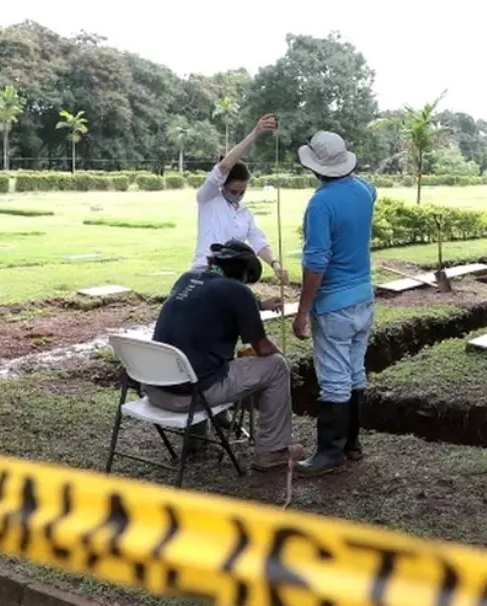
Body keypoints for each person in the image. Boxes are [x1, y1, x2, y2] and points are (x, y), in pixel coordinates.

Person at [148, 240, 304, 471]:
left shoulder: (187, 278)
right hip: (189, 398)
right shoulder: (238, 291)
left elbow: (211, 303)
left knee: (196, 355)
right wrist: (282, 354)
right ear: (243, 272)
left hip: (156, 390)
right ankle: (272, 451)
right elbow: (262, 348)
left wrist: (257, 305)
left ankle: (196, 437)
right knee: (277, 366)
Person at [290, 131, 377, 477]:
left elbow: (316, 262)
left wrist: (302, 312)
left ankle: (330, 453)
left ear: (315, 167)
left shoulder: (321, 203)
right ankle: (352, 444)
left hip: (334, 304)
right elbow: (369, 195)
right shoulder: (365, 190)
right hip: (364, 297)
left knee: (334, 380)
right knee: (355, 372)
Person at [190, 114, 290, 297]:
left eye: (242, 192)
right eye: (233, 191)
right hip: (205, 273)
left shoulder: (245, 213)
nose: (237, 196)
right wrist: (255, 134)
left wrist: (275, 264)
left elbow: (258, 242)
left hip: (233, 278)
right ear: (223, 185)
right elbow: (224, 167)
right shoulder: (208, 198)